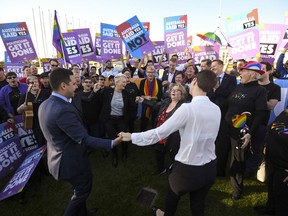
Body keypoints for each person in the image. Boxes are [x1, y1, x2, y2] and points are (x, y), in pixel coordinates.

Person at [120, 70, 221, 216]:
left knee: (171, 205)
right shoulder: (216, 109)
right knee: (198, 207)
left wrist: (132, 137)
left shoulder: (187, 108)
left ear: (194, 82)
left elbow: (159, 133)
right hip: (210, 168)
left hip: (187, 169)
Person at [38, 68, 122, 216]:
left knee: (78, 190)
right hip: (70, 162)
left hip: (57, 157)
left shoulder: (45, 104)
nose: (76, 86)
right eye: (73, 83)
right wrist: (111, 143)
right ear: (64, 86)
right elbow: (83, 138)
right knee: (82, 192)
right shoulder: (62, 109)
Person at [225, 61, 267, 200]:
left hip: (242, 133)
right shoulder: (238, 86)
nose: (240, 73)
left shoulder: (260, 91)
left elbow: (260, 114)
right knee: (230, 158)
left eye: (243, 71)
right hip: (228, 129)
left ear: (253, 74)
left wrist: (250, 133)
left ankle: (237, 191)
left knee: (237, 161)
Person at [89, 73, 134, 167]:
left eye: (126, 82)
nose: (125, 84)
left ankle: (124, 152)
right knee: (112, 138)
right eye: (123, 82)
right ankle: (115, 156)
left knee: (123, 137)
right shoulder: (107, 91)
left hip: (121, 119)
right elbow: (97, 101)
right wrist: (95, 92)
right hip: (109, 119)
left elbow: (130, 107)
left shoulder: (126, 93)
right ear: (117, 82)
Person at [245, 61, 281, 177]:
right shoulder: (250, 85)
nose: (259, 72)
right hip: (245, 121)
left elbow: (271, 105)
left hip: (261, 122)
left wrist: (257, 99)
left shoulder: (275, 88)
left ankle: (251, 170)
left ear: (270, 71)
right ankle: (243, 167)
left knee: (256, 147)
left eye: (263, 69)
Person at [254, 107, 288, 216]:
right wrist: (266, 144)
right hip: (272, 161)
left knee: (282, 197)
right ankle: (270, 208)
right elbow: (272, 128)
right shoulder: (285, 113)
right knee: (272, 189)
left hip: (284, 167)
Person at [208, 59, 237, 177]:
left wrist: (217, 89)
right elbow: (209, 95)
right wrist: (216, 91)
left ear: (221, 66)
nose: (212, 68)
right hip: (210, 116)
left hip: (224, 116)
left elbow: (230, 96)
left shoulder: (231, 79)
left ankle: (220, 171)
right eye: (211, 67)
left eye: (214, 66)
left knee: (222, 144)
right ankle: (208, 167)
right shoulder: (210, 80)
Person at [139, 66, 162, 131]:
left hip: (155, 105)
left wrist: (152, 98)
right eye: (148, 72)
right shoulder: (143, 82)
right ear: (146, 73)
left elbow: (160, 95)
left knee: (154, 122)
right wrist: (146, 97)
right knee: (143, 121)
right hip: (145, 104)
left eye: (152, 72)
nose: (150, 74)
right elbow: (140, 94)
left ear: (154, 73)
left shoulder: (159, 82)